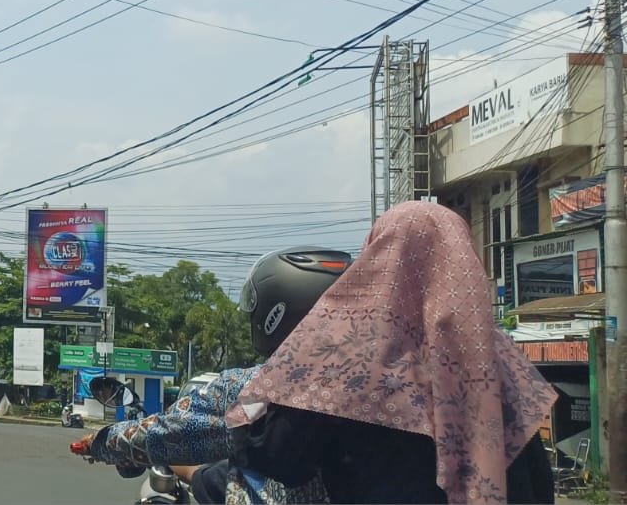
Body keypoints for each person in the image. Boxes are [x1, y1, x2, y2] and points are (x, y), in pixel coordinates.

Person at [228, 201, 558, 504]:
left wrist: (244, 426)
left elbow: (282, 459)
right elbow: (538, 479)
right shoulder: (498, 357)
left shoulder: (349, 345)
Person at [77, 246, 352, 502]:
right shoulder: (384, 385)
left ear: (274, 312)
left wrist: (100, 443)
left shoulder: (257, 388)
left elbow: (169, 431)